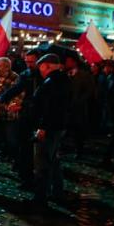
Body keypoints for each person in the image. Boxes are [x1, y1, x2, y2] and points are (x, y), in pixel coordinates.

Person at [30, 53, 72, 209]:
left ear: (46, 66)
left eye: (40, 66)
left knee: (42, 162)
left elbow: (50, 108)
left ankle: (40, 198)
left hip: (49, 128)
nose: (39, 70)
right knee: (54, 161)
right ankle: (57, 192)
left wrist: (42, 127)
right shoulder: (63, 80)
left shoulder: (52, 82)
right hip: (58, 127)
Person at [0, 49, 41, 189]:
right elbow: (17, 88)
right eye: (27, 62)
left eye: (32, 62)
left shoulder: (44, 76)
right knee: (24, 147)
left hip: (39, 116)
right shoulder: (26, 74)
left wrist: (22, 105)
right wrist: (3, 97)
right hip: (27, 115)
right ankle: (26, 178)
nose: (29, 64)